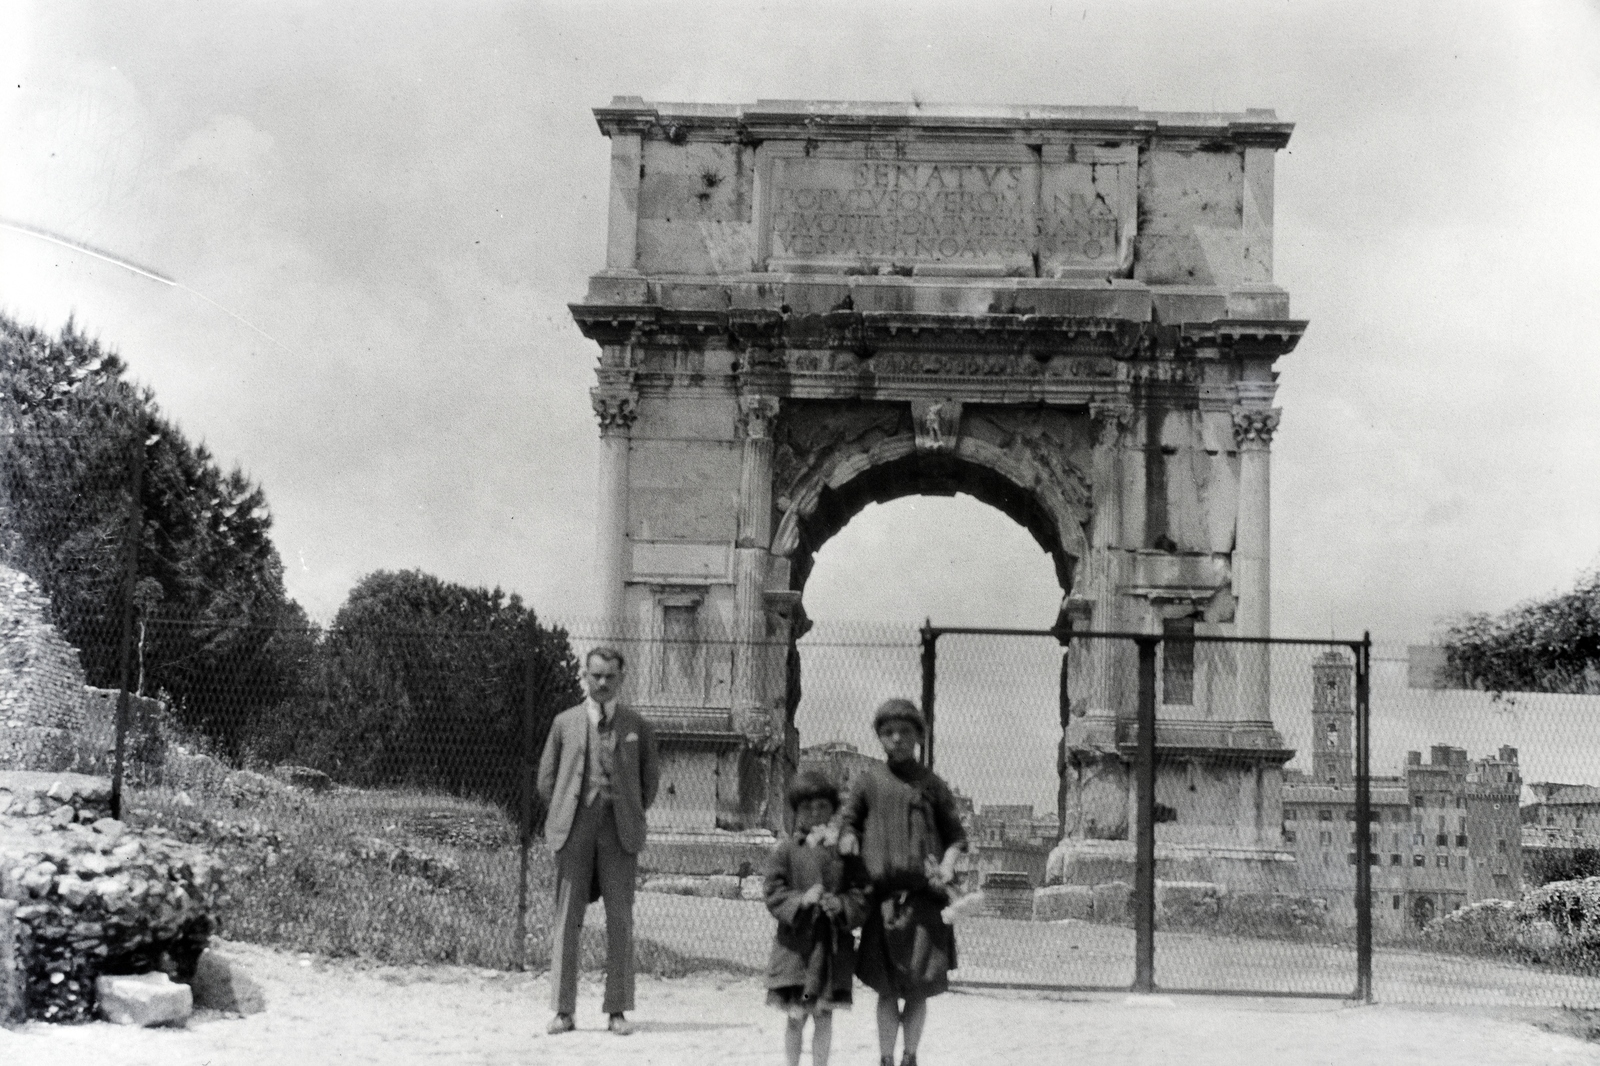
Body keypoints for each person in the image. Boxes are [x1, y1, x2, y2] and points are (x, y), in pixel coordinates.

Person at [838, 698, 968, 1066]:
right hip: (883, 903)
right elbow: (849, 820)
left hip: (925, 903)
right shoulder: (868, 782)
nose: (897, 739)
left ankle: (910, 1056)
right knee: (885, 991)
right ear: (879, 737)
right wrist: (848, 838)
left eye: (905, 732)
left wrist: (947, 864)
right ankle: (885, 1059)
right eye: (889, 732)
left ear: (919, 737)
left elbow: (955, 836)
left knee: (917, 992)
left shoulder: (933, 785)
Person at [537, 646, 658, 1036]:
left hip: (619, 833)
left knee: (620, 919)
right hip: (573, 831)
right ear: (585, 677)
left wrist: (625, 809)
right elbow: (546, 780)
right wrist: (566, 812)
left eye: (610, 676)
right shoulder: (564, 723)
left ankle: (617, 1010)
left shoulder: (638, 726)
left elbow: (650, 784)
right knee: (567, 918)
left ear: (622, 678)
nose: (602, 682)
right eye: (596, 675)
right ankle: (563, 1010)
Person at [763, 770, 870, 1066]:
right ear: (795, 811)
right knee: (796, 1017)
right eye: (807, 807)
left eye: (822, 806)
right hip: (796, 952)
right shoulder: (786, 850)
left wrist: (842, 904)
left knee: (824, 1017)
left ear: (834, 810)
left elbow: (861, 891)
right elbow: (772, 890)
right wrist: (800, 900)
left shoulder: (844, 852)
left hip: (830, 953)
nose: (815, 813)